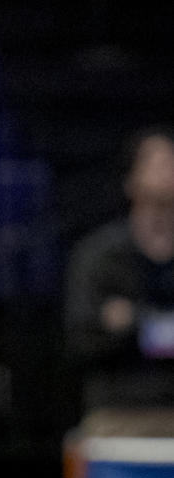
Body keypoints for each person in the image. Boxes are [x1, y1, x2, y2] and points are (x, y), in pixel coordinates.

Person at [65, 127, 174, 412]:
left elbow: (116, 325)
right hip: (120, 412)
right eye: (157, 162)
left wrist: (131, 321)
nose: (168, 171)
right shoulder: (98, 255)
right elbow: (82, 339)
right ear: (131, 180)